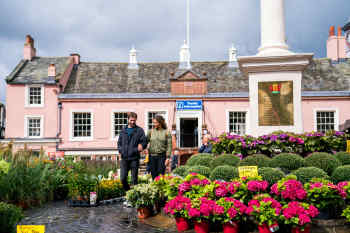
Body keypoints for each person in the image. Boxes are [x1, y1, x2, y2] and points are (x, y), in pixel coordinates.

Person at [117, 112, 147, 191]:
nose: (133, 122)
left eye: (134, 120)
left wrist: (142, 145)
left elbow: (144, 142)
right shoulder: (123, 130)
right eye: (131, 120)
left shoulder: (139, 130)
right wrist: (121, 150)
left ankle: (133, 198)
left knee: (134, 180)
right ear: (128, 120)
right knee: (122, 178)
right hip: (124, 158)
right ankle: (128, 193)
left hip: (134, 158)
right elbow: (119, 143)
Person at [147, 115, 172, 180]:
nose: (154, 124)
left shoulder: (166, 132)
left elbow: (169, 146)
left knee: (160, 175)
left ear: (160, 123)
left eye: (156, 123)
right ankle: (154, 189)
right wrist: (142, 147)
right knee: (153, 175)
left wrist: (168, 158)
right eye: (153, 123)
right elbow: (145, 141)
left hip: (162, 156)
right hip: (152, 156)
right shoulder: (150, 132)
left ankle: (160, 189)